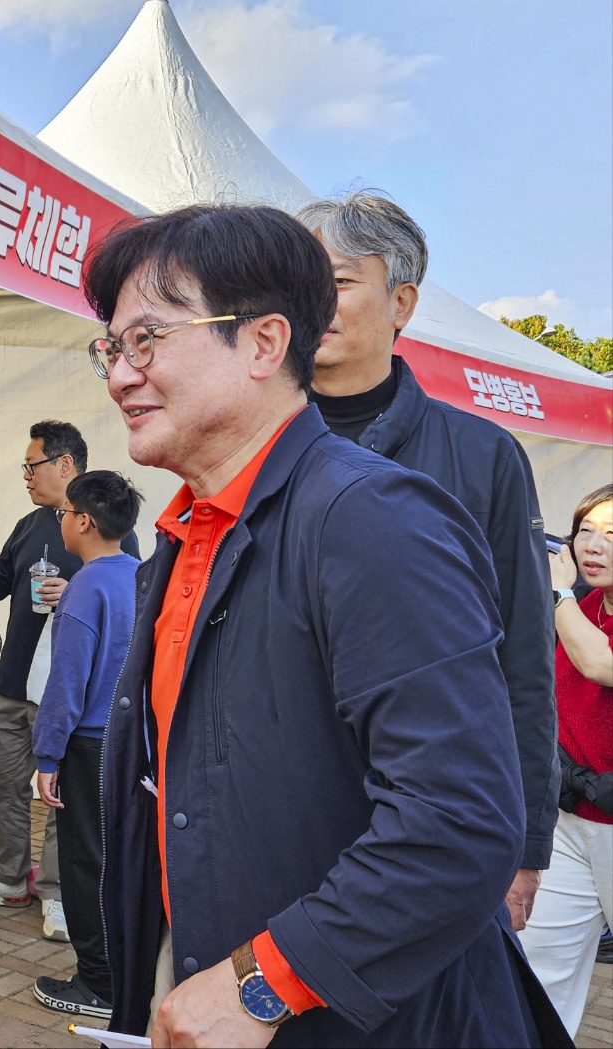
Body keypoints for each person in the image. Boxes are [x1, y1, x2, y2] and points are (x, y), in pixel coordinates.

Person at [83, 204, 567, 1046]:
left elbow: (458, 820)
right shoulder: (185, 529)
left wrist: (262, 984)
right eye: (112, 348)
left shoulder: (368, 516)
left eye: (149, 339)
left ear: (266, 344)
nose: (124, 374)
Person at [296, 190, 558, 930]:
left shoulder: (482, 457)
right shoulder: (243, 444)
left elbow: (525, 658)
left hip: (427, 828)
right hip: (279, 818)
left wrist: (526, 843)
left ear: (401, 302)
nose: (314, 301)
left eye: (340, 282)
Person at [0, 421, 139, 943]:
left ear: (66, 465)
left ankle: (56, 893)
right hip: (14, 681)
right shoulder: (31, 524)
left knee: (58, 796)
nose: (26, 476)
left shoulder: (104, 527)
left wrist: (75, 590)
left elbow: (125, 592)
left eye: (33, 465)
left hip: (68, 689)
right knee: (3, 784)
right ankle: (9, 878)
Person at [31, 470, 141, 1020]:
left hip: (90, 745)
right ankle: (130, 973)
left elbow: (67, 684)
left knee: (85, 863)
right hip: (136, 743)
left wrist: (47, 755)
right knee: (125, 860)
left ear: (83, 521)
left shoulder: (85, 588)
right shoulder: (145, 578)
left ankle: (98, 983)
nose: (62, 522)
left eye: (64, 513)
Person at [520, 484, 613, 1035]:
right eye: (587, 531)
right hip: (571, 822)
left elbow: (601, 664)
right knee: (536, 973)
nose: (594, 546)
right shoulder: (583, 606)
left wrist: (557, 596)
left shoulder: (567, 607)